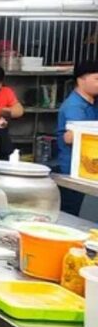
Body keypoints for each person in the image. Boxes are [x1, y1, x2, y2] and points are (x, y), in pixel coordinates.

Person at [56, 60, 98, 215]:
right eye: (97, 79)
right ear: (81, 80)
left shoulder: (92, 103)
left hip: (88, 170)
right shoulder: (74, 106)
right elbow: (70, 137)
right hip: (73, 171)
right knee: (72, 214)